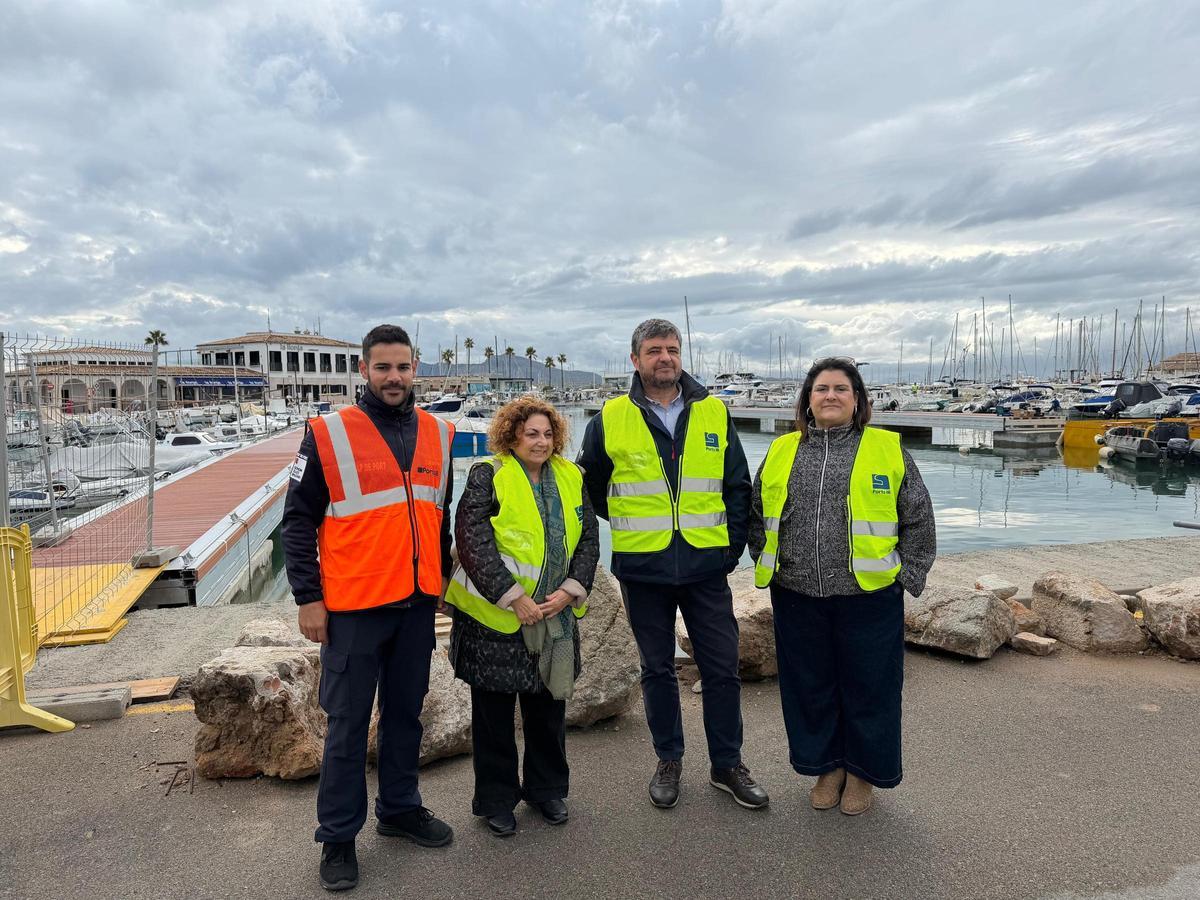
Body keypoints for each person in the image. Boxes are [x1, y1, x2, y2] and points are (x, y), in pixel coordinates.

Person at [282, 324, 456, 892]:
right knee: (349, 727)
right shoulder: (328, 435)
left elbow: (438, 519)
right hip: (354, 608)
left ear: (415, 369)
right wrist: (309, 598)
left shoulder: (439, 432)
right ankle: (336, 838)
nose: (394, 378)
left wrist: (443, 584)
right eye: (383, 368)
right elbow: (298, 521)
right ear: (364, 370)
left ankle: (400, 809)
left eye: (403, 367)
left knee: (407, 714)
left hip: (415, 606)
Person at [577, 318, 768, 811]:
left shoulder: (713, 412)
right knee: (656, 669)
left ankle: (728, 764)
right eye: (655, 350)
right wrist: (633, 525)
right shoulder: (609, 418)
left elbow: (737, 485)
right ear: (635, 360)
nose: (665, 357)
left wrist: (728, 551)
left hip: (707, 567)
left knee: (723, 669)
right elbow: (591, 487)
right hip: (644, 569)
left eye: (672, 348)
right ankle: (669, 759)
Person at [749, 357, 936, 816]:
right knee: (809, 687)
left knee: (870, 689)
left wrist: (907, 576)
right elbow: (757, 511)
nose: (830, 395)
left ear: (858, 401)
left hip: (868, 597)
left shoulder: (887, 450)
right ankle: (826, 765)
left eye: (841, 389)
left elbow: (918, 517)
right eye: (821, 389)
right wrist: (767, 559)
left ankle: (862, 774)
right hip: (796, 594)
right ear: (807, 401)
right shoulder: (781, 450)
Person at [445, 396, 599, 836]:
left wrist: (571, 591)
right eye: (531, 433)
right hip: (495, 620)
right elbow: (473, 541)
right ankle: (496, 799)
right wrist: (513, 597)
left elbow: (588, 536)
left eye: (548, 433)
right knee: (493, 717)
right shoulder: (488, 475)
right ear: (512, 435)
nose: (541, 441)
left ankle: (546, 789)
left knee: (549, 708)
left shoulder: (571, 477)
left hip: (554, 617)